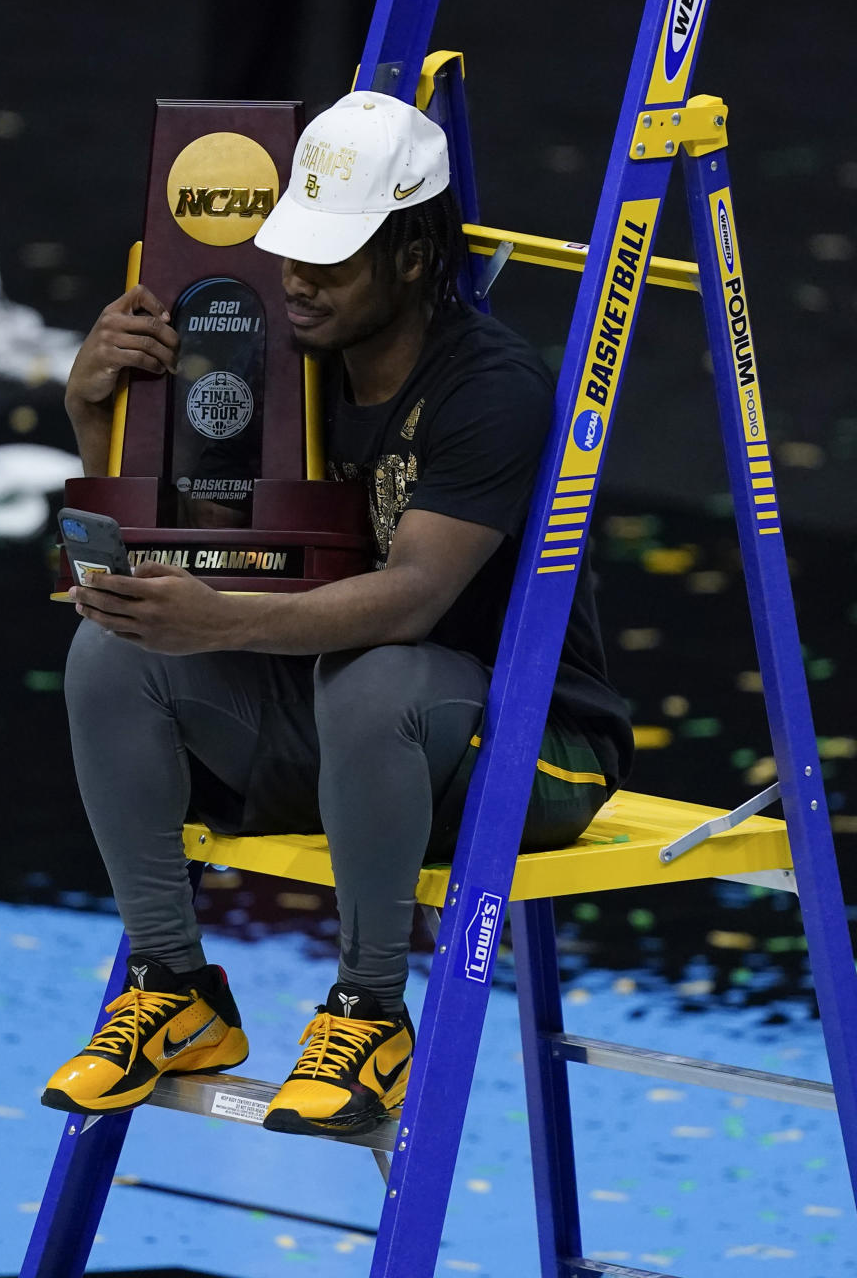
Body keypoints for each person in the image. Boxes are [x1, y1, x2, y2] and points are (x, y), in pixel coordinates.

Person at [43, 91, 633, 1137]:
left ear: (411, 256)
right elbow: (187, 551)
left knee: (380, 666)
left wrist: (214, 623)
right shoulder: (282, 358)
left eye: (334, 258)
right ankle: (175, 990)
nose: (300, 281)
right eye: (293, 251)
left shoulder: (489, 387)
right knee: (111, 653)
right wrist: (97, 416)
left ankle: (370, 1011)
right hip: (343, 737)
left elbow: (414, 598)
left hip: (524, 755)